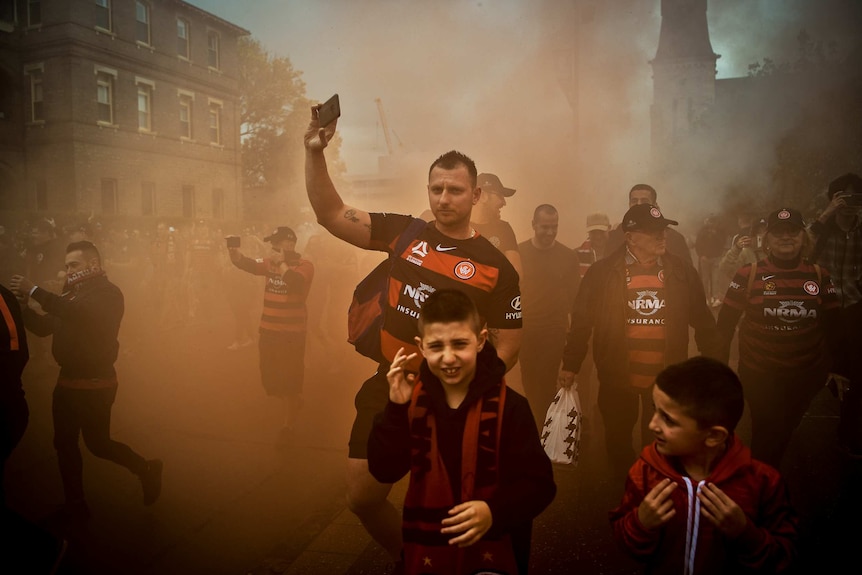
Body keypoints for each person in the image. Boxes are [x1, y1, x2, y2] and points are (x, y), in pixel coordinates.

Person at [304, 106, 522, 563]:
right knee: (361, 498)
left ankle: (450, 566)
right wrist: (315, 153)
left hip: (453, 400)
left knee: (452, 510)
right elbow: (330, 213)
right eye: (436, 188)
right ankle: (413, 561)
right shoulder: (404, 232)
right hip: (390, 386)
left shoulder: (496, 266)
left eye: (455, 190)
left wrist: (472, 392)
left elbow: (507, 343)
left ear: (476, 194)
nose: (444, 198)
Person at [368, 289, 555, 575]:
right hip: (426, 552)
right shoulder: (411, 401)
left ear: (480, 340)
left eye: (459, 344)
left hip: (495, 552)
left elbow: (540, 485)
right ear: (421, 346)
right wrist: (395, 409)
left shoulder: (511, 407)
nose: (448, 358)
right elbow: (384, 469)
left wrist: (494, 511)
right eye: (436, 346)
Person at [559, 203, 716, 480]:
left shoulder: (681, 272)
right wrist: (570, 365)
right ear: (630, 237)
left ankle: (652, 489)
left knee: (660, 443)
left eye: (662, 230)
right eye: (653, 231)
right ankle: (627, 486)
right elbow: (582, 322)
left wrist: (714, 368)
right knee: (618, 439)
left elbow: (703, 321)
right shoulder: (602, 273)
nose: (661, 236)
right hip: (617, 376)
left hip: (667, 379)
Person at [9, 241, 162, 521]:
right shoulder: (69, 295)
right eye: (66, 266)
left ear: (93, 265)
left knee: (98, 444)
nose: (68, 271)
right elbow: (45, 328)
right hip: (66, 382)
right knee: (64, 443)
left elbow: (81, 314)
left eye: (74, 265)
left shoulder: (108, 293)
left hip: (96, 383)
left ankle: (146, 468)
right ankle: (76, 504)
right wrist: (25, 311)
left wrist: (33, 290)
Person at [609, 356, 799, 574]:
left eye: (668, 419)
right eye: (655, 409)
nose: (652, 424)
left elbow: (785, 558)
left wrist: (746, 534)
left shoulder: (763, 483)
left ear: (714, 436)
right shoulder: (644, 472)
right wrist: (641, 522)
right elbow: (626, 543)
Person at [717, 207, 846, 468]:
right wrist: (719, 369)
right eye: (778, 232)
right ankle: (759, 486)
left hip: (806, 375)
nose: (786, 237)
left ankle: (761, 477)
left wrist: (840, 368)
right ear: (767, 240)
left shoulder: (820, 276)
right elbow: (725, 324)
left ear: (803, 237)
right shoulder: (748, 274)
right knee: (769, 430)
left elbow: (833, 325)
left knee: (784, 427)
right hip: (760, 373)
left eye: (793, 231)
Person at [228, 226, 314, 444]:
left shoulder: (305, 266)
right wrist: (233, 251)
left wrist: (282, 265)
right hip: (268, 330)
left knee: (290, 380)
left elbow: (294, 283)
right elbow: (245, 263)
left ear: (288, 244)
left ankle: (288, 423)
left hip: (292, 334)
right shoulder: (269, 263)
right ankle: (292, 399)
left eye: (276, 243)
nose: (272, 248)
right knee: (270, 380)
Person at [809, 172, 862, 457]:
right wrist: (826, 214)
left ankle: (850, 432)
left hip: (854, 307)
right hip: (821, 308)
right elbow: (800, 249)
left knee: (856, 373)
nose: (851, 203)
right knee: (814, 368)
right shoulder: (821, 230)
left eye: (857, 196)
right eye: (845, 196)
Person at [517, 204, 580, 426]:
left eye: (554, 227)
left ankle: (546, 430)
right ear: (533, 225)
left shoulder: (567, 256)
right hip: (526, 329)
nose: (550, 232)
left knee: (545, 382)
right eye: (545, 227)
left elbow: (575, 299)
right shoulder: (519, 252)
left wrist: (574, 334)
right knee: (529, 381)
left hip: (554, 329)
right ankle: (542, 425)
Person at [607, 184, 693, 266]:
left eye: (645, 201)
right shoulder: (615, 237)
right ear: (629, 204)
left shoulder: (674, 238)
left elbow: (687, 276)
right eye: (634, 201)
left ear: (654, 205)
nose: (639, 204)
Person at [470, 172, 522, 276]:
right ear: (482, 196)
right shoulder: (458, 227)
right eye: (499, 196)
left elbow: (517, 275)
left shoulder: (504, 229)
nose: (504, 202)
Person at [718, 216, 767, 281]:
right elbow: (725, 269)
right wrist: (736, 249)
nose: (762, 235)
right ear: (753, 235)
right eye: (758, 231)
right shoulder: (747, 253)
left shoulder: (776, 251)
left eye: (765, 231)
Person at [694, 214, 728, 307]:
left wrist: (715, 234)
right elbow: (698, 244)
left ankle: (715, 297)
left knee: (715, 278)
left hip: (716, 258)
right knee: (705, 279)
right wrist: (701, 255)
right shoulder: (702, 231)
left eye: (713, 221)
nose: (712, 223)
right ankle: (706, 298)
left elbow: (723, 243)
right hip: (704, 258)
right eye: (710, 221)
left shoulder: (720, 231)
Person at [576, 212, 611, 278]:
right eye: (593, 232)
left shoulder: (619, 252)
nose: (598, 236)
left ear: (609, 228)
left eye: (601, 231)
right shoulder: (576, 256)